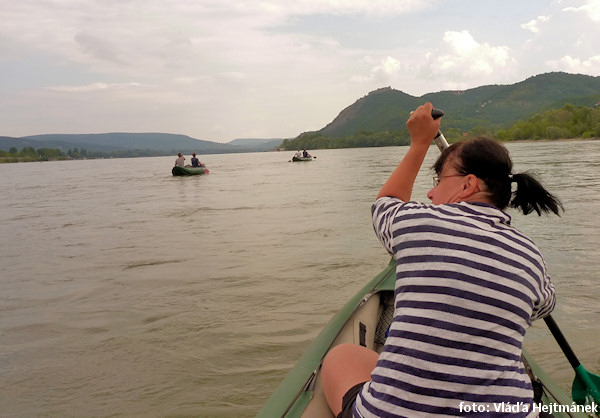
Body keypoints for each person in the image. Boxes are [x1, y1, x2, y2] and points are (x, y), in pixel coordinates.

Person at [321, 102, 563, 418]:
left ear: (468, 184)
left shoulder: (418, 221)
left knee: (342, 357)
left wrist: (420, 142)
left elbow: (385, 204)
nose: (431, 194)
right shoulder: (530, 254)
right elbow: (543, 306)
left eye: (439, 181)